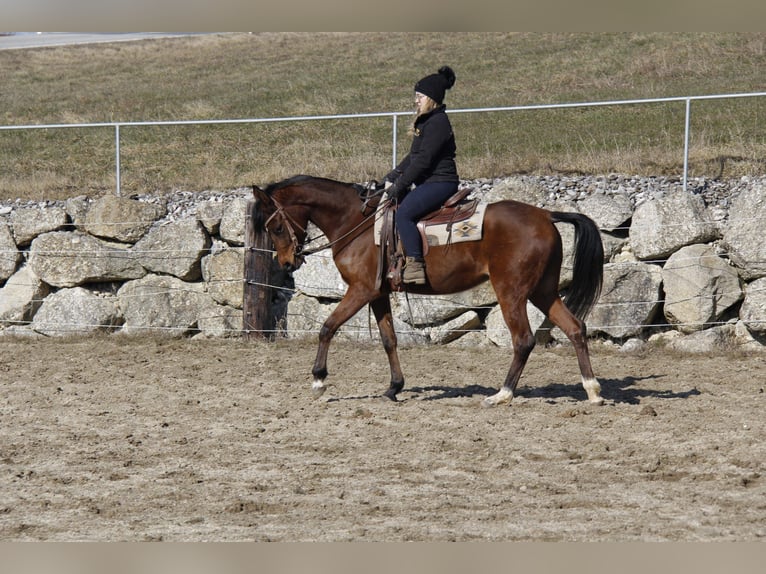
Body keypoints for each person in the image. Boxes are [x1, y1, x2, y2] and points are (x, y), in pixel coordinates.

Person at [383, 65, 459, 285]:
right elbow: (413, 156)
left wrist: (399, 185)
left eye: (420, 96)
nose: (416, 101)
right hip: (429, 181)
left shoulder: (438, 123)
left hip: (441, 183)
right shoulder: (427, 121)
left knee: (404, 214)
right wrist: (393, 174)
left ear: (431, 98)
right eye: (416, 96)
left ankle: (415, 264)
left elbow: (423, 161)